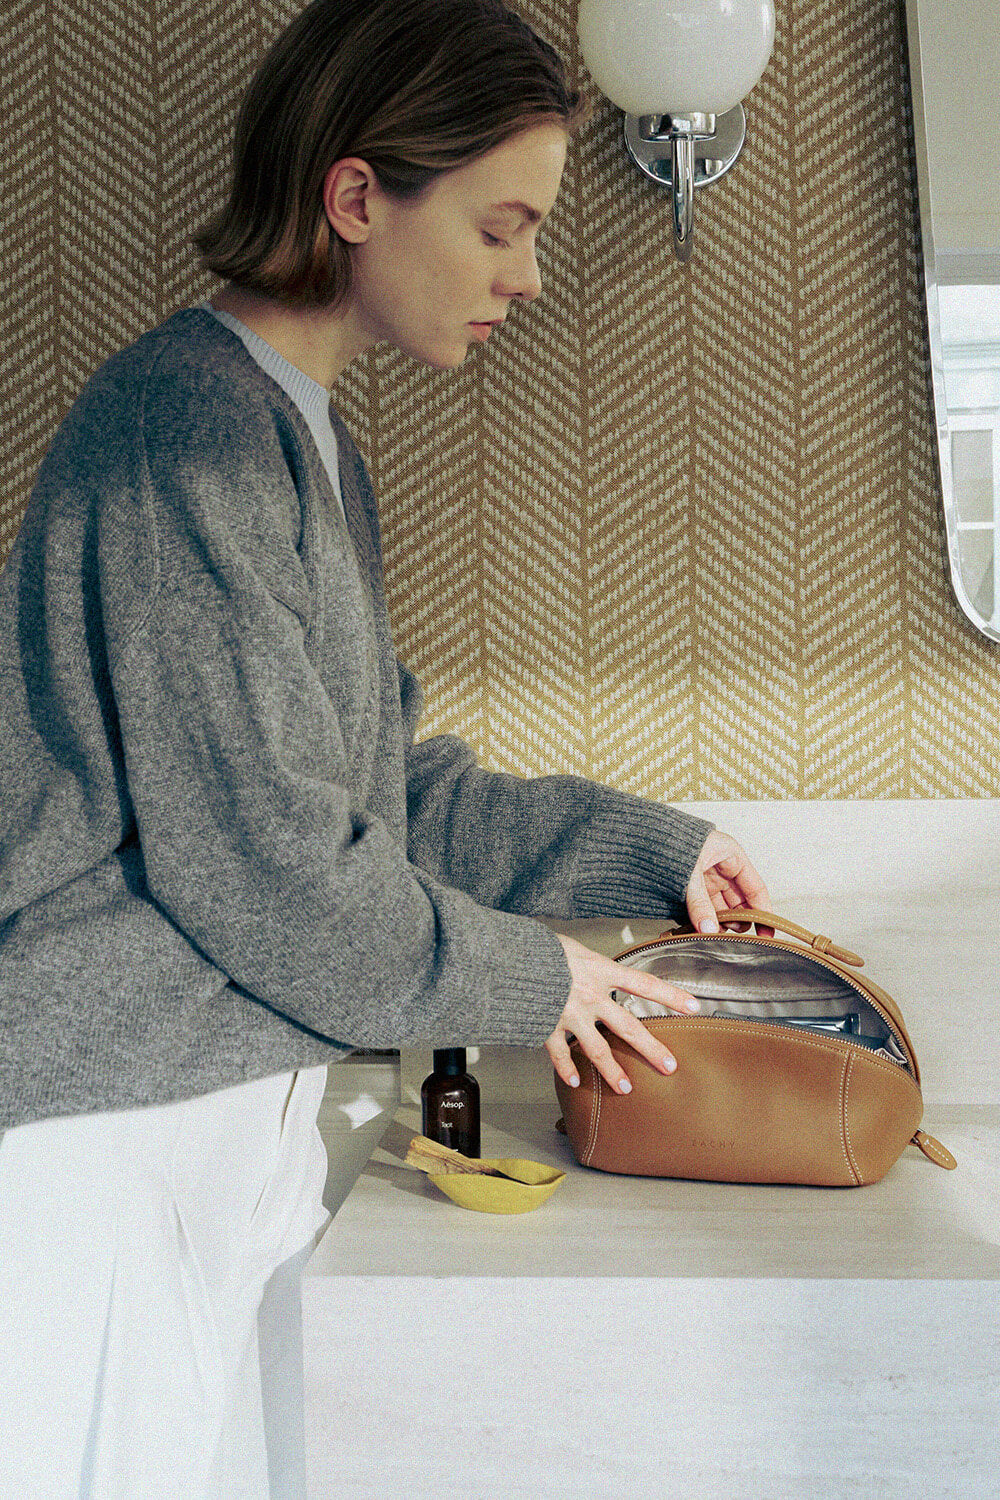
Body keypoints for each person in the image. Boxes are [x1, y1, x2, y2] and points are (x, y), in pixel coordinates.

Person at [0, 0, 770, 1494]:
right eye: (499, 228)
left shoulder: (303, 442)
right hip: (95, 1148)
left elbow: (377, 796)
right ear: (356, 196)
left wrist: (656, 851)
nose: (526, 276)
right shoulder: (188, 433)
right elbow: (273, 871)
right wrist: (541, 981)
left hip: (190, 1133)